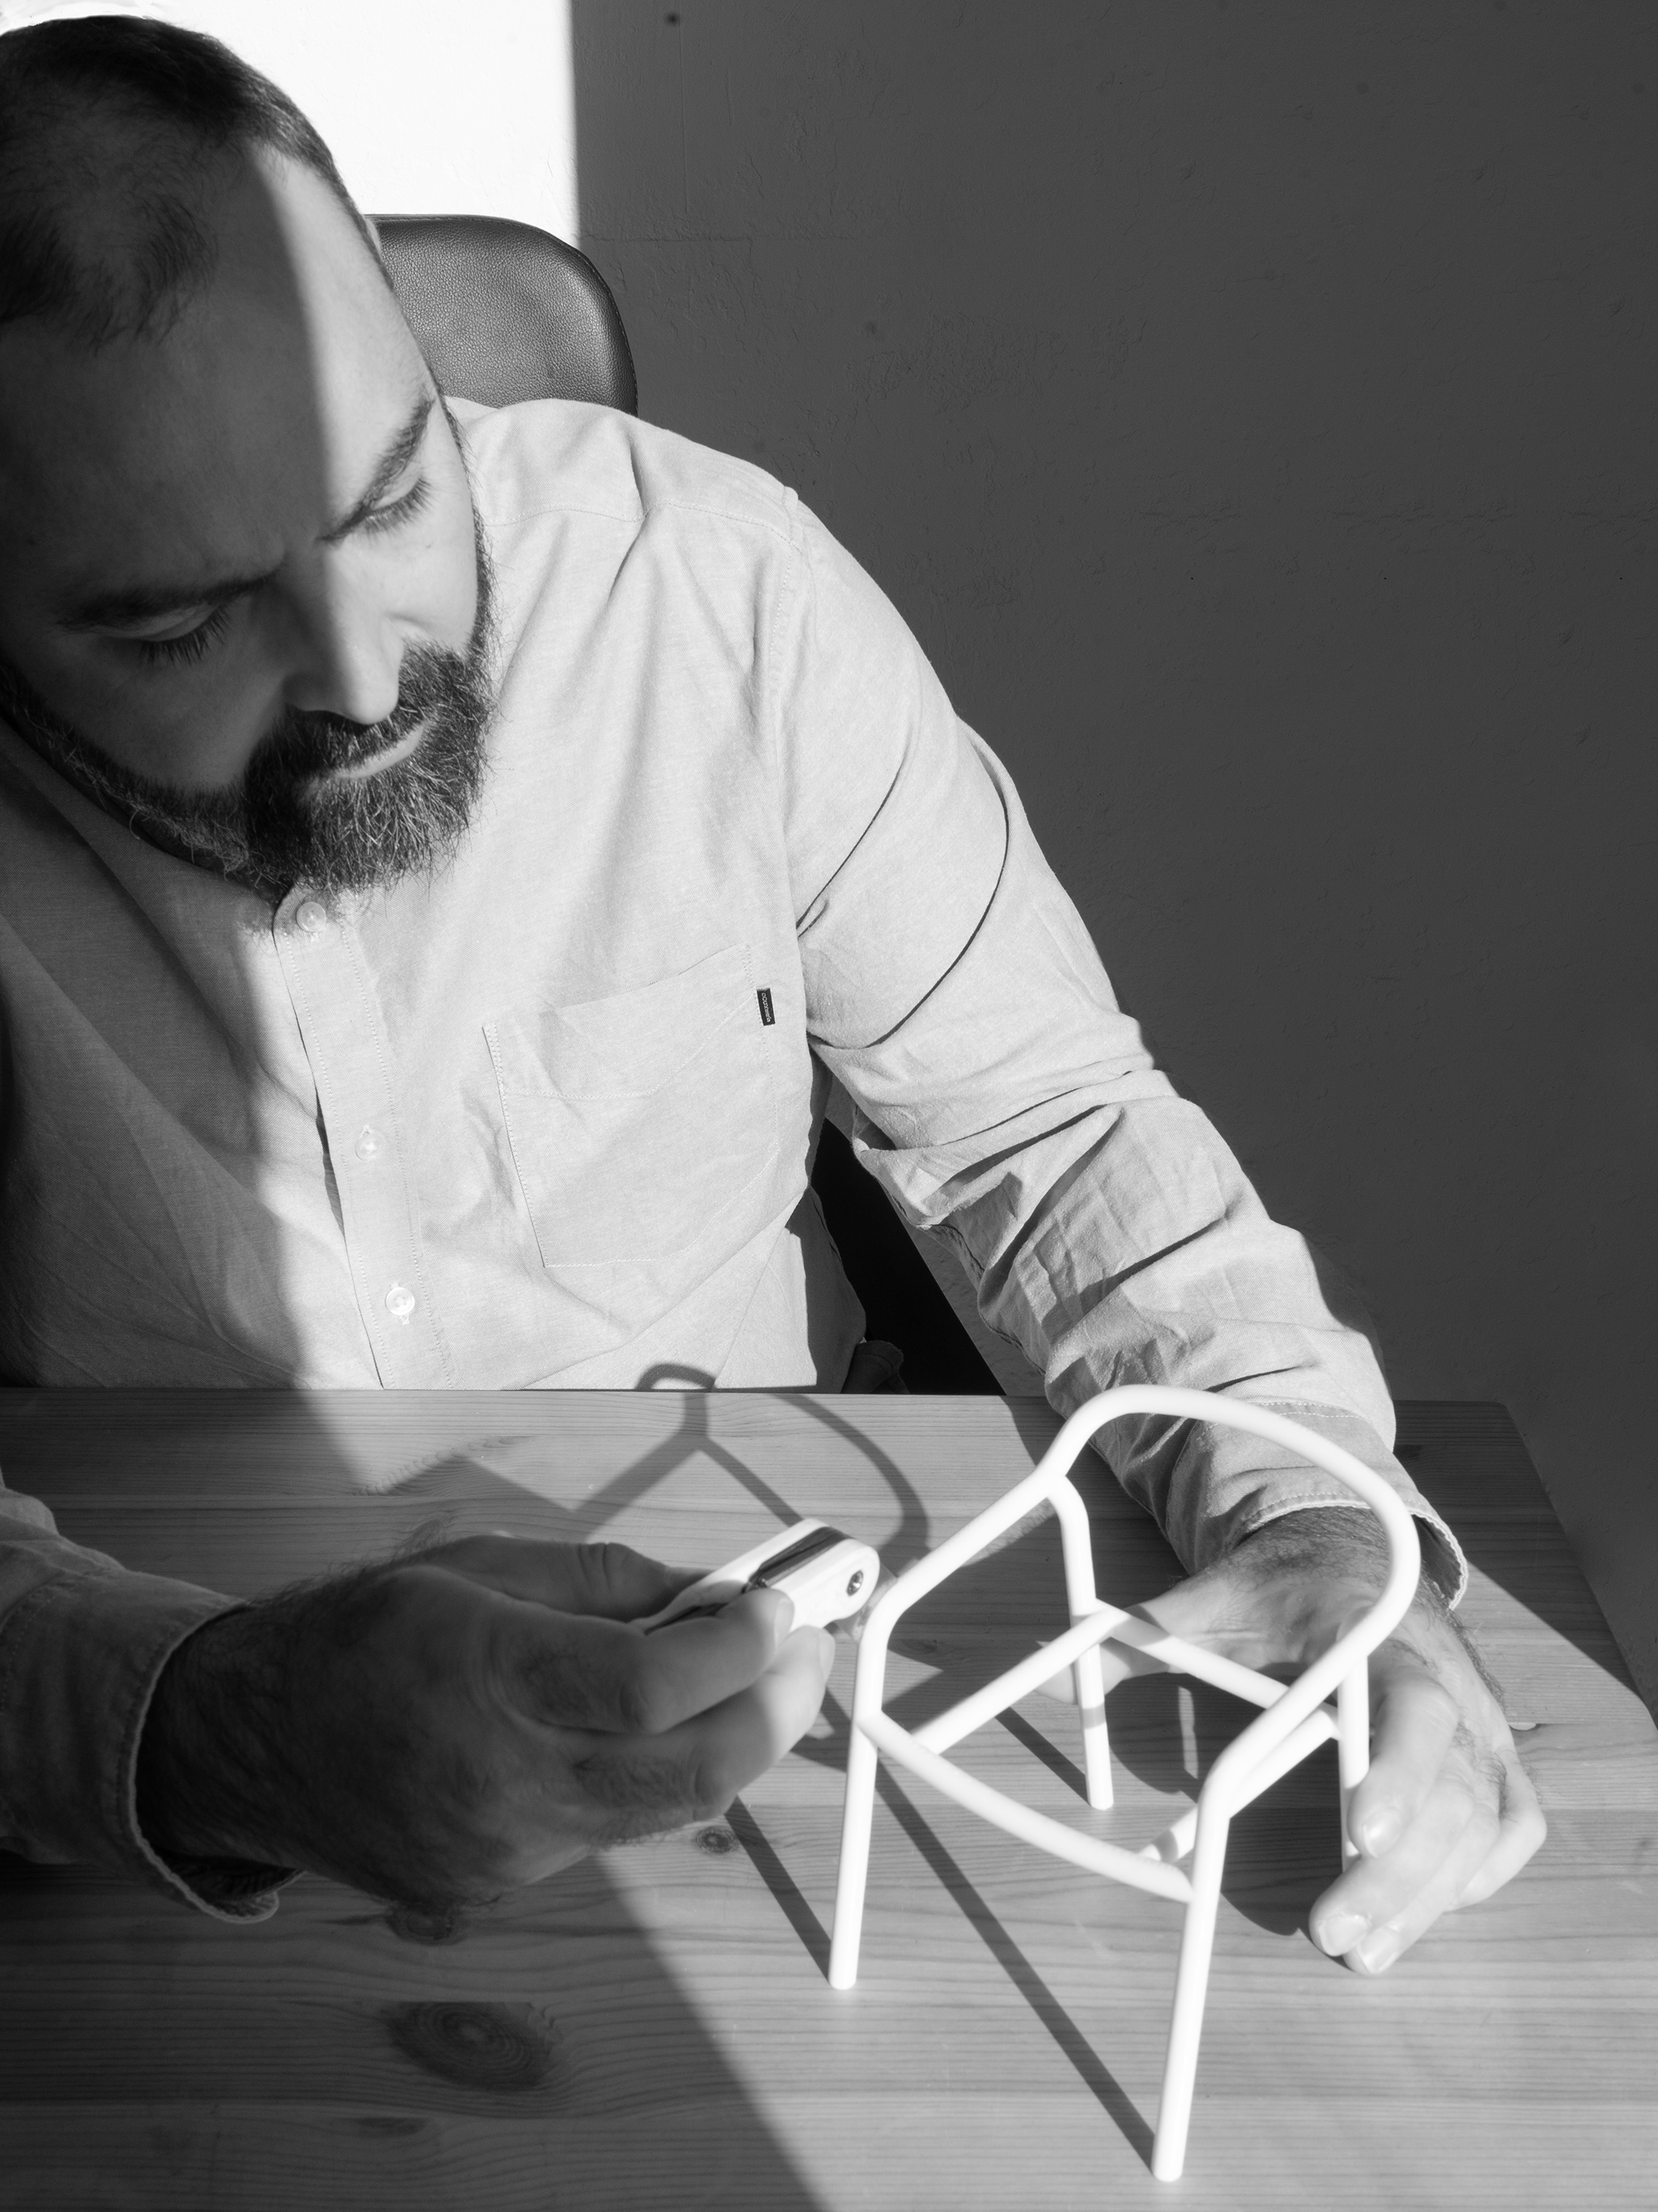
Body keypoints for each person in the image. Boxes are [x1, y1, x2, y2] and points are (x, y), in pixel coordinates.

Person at [0, 17, 1542, 1959]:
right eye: (178, 622)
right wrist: (221, 1737)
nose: (365, 674)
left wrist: (1312, 1525)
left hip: (764, 1775)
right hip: (122, 1837)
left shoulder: (720, 598)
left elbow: (1052, 1133)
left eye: (391, 498)